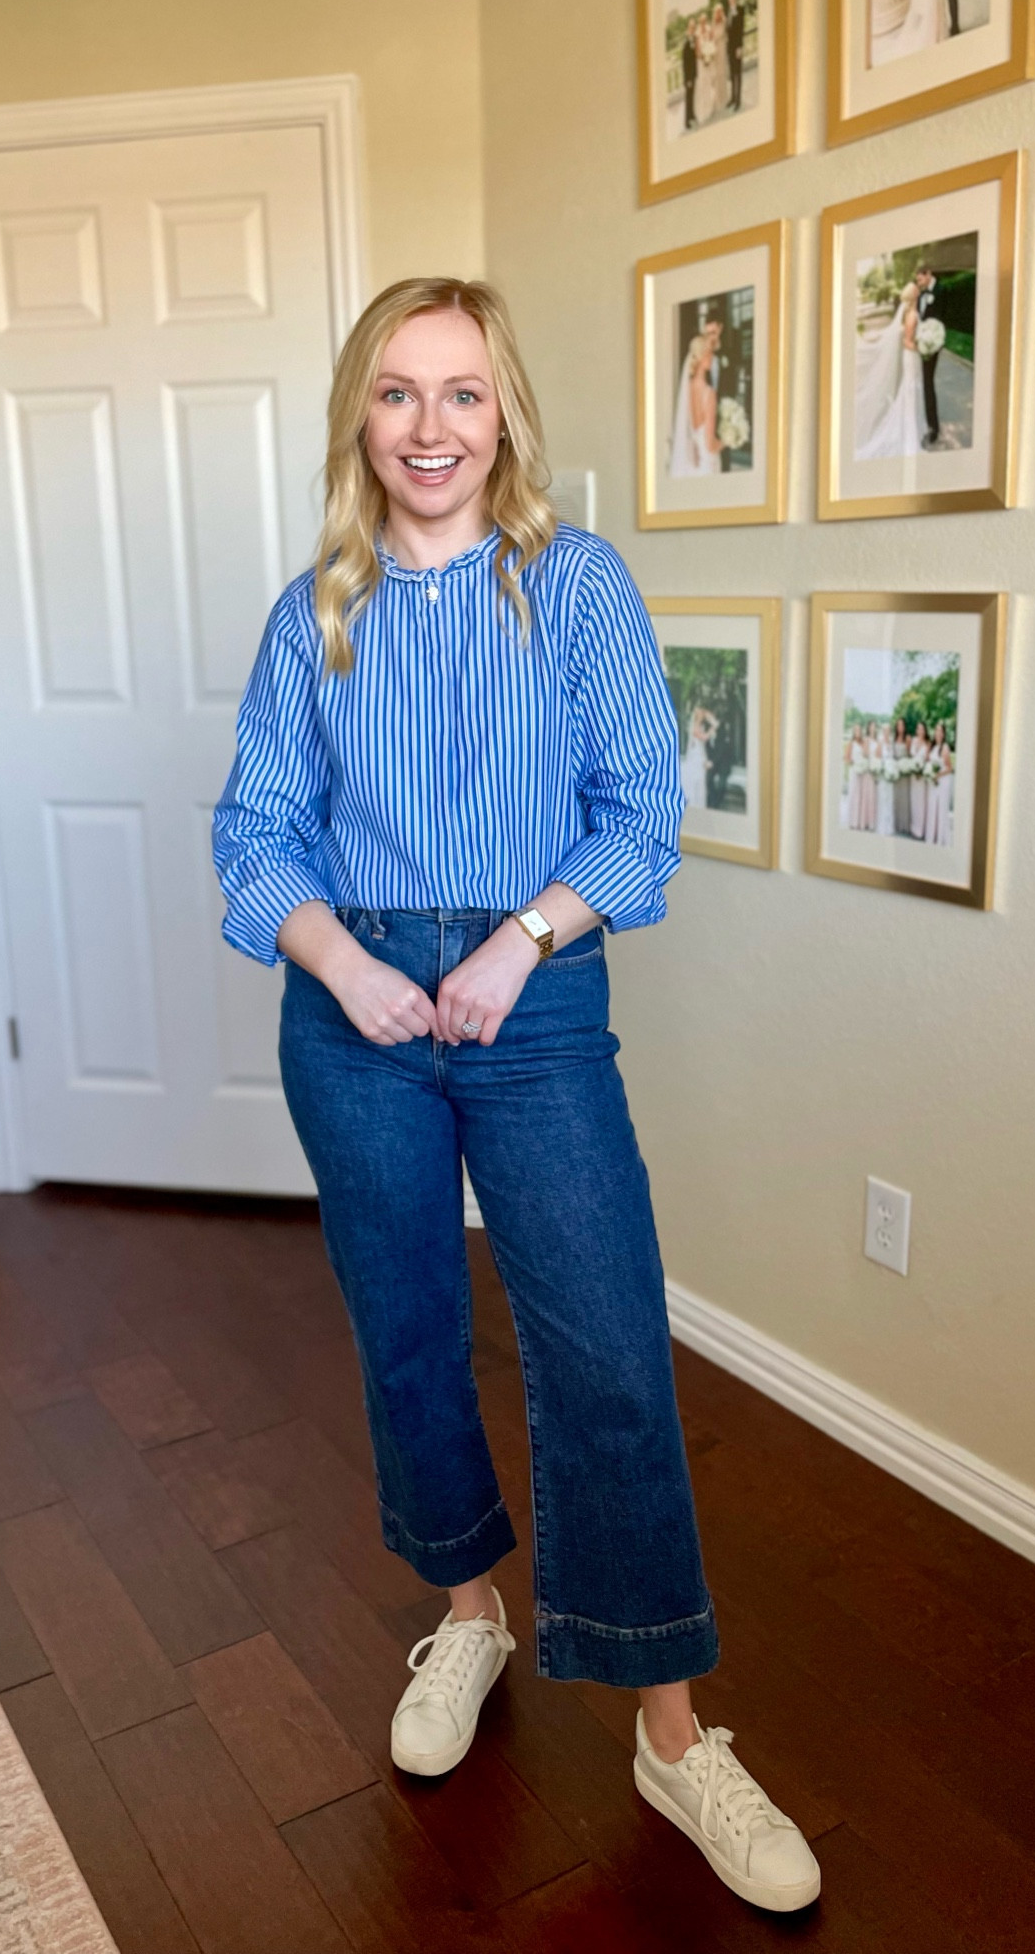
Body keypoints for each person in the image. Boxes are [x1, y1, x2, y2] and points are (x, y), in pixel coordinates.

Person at [212, 277, 821, 1915]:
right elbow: (255, 836)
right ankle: (468, 1613)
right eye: (398, 393)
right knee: (407, 1329)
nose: (429, 426)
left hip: (533, 1000)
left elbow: (638, 811)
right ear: (362, 416)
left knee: (606, 1346)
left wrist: (519, 943)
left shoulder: (578, 585)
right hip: (352, 1013)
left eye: (462, 394)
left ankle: (671, 1730)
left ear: (506, 416)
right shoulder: (313, 613)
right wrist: (344, 965)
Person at [854, 279, 926, 461]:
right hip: (911, 356)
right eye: (917, 290)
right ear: (914, 295)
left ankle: (911, 429)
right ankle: (909, 435)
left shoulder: (906, 313)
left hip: (909, 357)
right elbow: (907, 341)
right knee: (910, 390)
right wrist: (924, 348)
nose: (919, 290)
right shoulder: (911, 315)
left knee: (910, 390)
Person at [669, 327, 723, 476]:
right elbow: (710, 445)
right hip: (707, 463)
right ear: (702, 356)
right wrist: (728, 440)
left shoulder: (687, 389)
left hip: (692, 463)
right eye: (709, 352)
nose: (712, 356)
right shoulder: (709, 393)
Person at [914, 263, 944, 446]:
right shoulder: (921, 295)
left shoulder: (941, 290)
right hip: (921, 341)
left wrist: (934, 342)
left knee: (927, 382)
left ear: (929, 274)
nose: (919, 283)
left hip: (932, 343)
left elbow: (944, 319)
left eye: (920, 279)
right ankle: (924, 421)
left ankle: (933, 427)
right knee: (922, 383)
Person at [682, 705, 717, 808]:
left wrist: (709, 718)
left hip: (700, 757)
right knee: (695, 781)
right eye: (700, 715)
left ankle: (700, 803)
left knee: (701, 781)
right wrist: (713, 727)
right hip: (695, 758)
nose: (702, 717)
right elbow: (704, 737)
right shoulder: (693, 727)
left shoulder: (700, 726)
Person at [725, 0, 745, 111]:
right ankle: (732, 98)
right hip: (730, 49)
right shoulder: (728, 12)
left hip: (737, 48)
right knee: (732, 74)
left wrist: (740, 47)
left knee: (738, 74)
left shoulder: (740, 10)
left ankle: (738, 100)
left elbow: (741, 30)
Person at [710, 2, 730, 118]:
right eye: (717, 11)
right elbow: (711, 37)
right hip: (715, 50)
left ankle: (725, 97)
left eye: (720, 11)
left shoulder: (724, 21)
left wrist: (724, 19)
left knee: (723, 74)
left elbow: (726, 33)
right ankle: (718, 99)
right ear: (715, 13)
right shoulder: (713, 23)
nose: (718, 13)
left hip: (722, 48)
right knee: (717, 75)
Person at [680, 18, 698, 131]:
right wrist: (688, 79)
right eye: (691, 27)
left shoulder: (694, 39)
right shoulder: (686, 42)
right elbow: (685, 63)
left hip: (693, 73)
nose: (692, 29)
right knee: (688, 98)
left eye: (694, 27)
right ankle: (686, 121)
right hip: (688, 77)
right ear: (688, 28)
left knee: (692, 96)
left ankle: (692, 115)